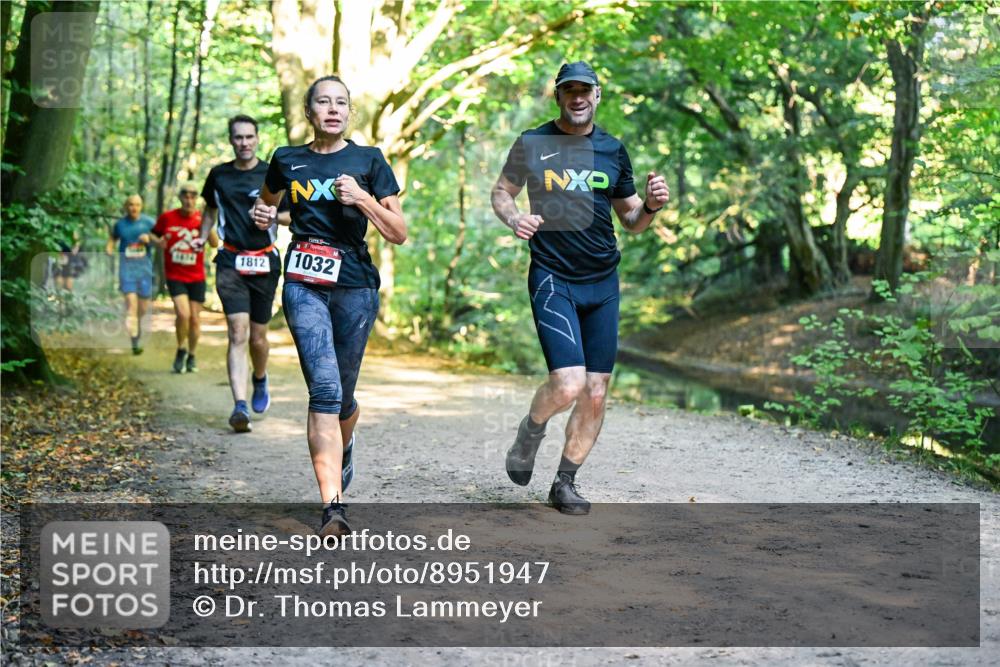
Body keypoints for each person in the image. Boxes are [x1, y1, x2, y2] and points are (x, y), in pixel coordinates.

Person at [490, 61, 670, 515]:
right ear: (558, 97)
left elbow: (631, 221)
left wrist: (649, 206)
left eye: (585, 90)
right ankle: (531, 431)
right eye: (569, 90)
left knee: (595, 390)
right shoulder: (533, 143)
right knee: (568, 384)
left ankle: (565, 482)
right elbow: (501, 192)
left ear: (597, 95)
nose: (577, 98)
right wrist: (515, 218)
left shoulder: (612, 150)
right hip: (553, 275)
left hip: (602, 281)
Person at [251, 75, 405, 536]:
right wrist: (265, 219)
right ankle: (332, 507)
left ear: (349, 113)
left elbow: (398, 231)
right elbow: (269, 207)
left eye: (341, 102)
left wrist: (361, 199)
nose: (333, 109)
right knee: (324, 389)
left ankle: (346, 440)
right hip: (303, 280)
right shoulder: (286, 159)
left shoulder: (369, 161)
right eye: (323, 102)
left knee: (345, 395)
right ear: (309, 111)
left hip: (356, 285)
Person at [193, 115, 288, 432]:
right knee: (237, 333)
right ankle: (240, 406)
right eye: (238, 137)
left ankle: (260, 378)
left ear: (257, 138)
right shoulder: (218, 175)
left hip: (264, 261)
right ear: (231, 140)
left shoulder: (272, 174)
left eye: (249, 137)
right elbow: (210, 210)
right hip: (231, 260)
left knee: (258, 338)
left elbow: (290, 214)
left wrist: (271, 214)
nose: (244, 142)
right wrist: (200, 236)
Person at [152, 182, 211, 374]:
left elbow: (215, 243)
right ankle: (180, 349)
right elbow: (153, 235)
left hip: (196, 276)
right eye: (185, 195)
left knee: (194, 319)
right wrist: (158, 241)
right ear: (180, 197)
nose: (189, 199)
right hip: (175, 275)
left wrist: (207, 222)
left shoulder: (202, 219)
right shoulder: (167, 218)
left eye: (193, 196)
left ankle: (192, 355)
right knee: (183, 314)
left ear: (197, 199)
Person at [107, 194, 156, 355]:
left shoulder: (149, 223)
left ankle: (137, 328)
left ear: (141, 207)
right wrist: (108, 250)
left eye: (137, 205)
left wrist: (149, 239)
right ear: (126, 206)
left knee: (142, 309)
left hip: (145, 271)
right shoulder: (120, 224)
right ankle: (134, 341)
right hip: (126, 271)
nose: (133, 208)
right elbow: (112, 240)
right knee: (131, 307)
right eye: (130, 205)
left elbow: (161, 240)